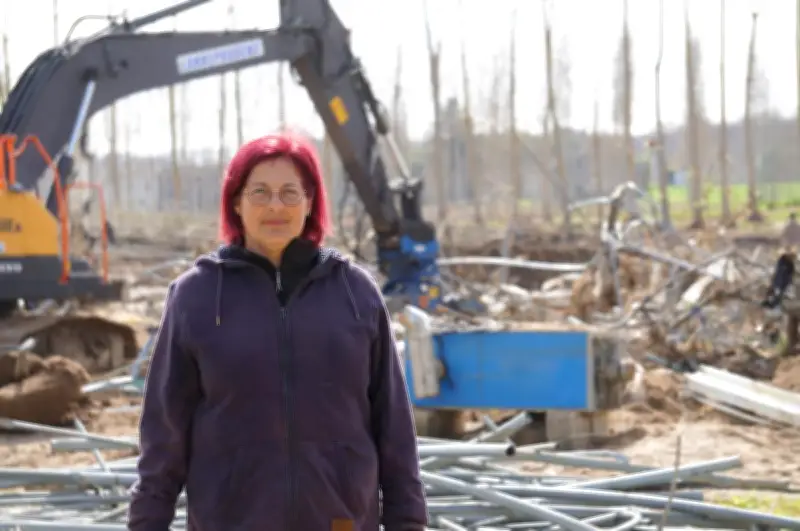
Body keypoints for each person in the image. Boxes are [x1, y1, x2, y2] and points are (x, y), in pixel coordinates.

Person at [127, 132, 427, 530]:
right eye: (260, 192)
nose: (275, 206)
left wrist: (408, 521)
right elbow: (163, 433)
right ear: (236, 201)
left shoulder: (355, 293)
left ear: (309, 203)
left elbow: (394, 427)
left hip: (340, 520)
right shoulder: (195, 296)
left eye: (289, 193)